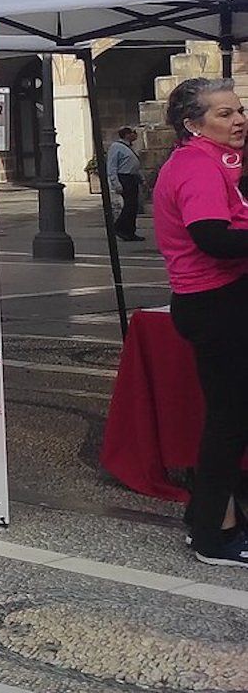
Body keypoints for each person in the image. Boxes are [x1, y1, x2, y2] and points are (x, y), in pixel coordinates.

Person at [150, 77, 248, 567]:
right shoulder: (197, 167)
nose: (239, 121)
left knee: (231, 418)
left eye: (239, 110)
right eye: (225, 114)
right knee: (229, 421)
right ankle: (215, 535)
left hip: (217, 300)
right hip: (216, 302)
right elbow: (211, 236)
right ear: (193, 124)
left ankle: (208, 516)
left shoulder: (213, 163)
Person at [108, 126, 145, 242]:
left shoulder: (130, 147)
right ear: (127, 135)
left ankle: (130, 231)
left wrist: (141, 178)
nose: (135, 135)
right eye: (133, 133)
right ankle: (120, 227)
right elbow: (112, 166)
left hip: (131, 177)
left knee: (133, 206)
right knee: (129, 205)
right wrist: (116, 183)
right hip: (124, 177)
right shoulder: (117, 147)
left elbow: (134, 166)